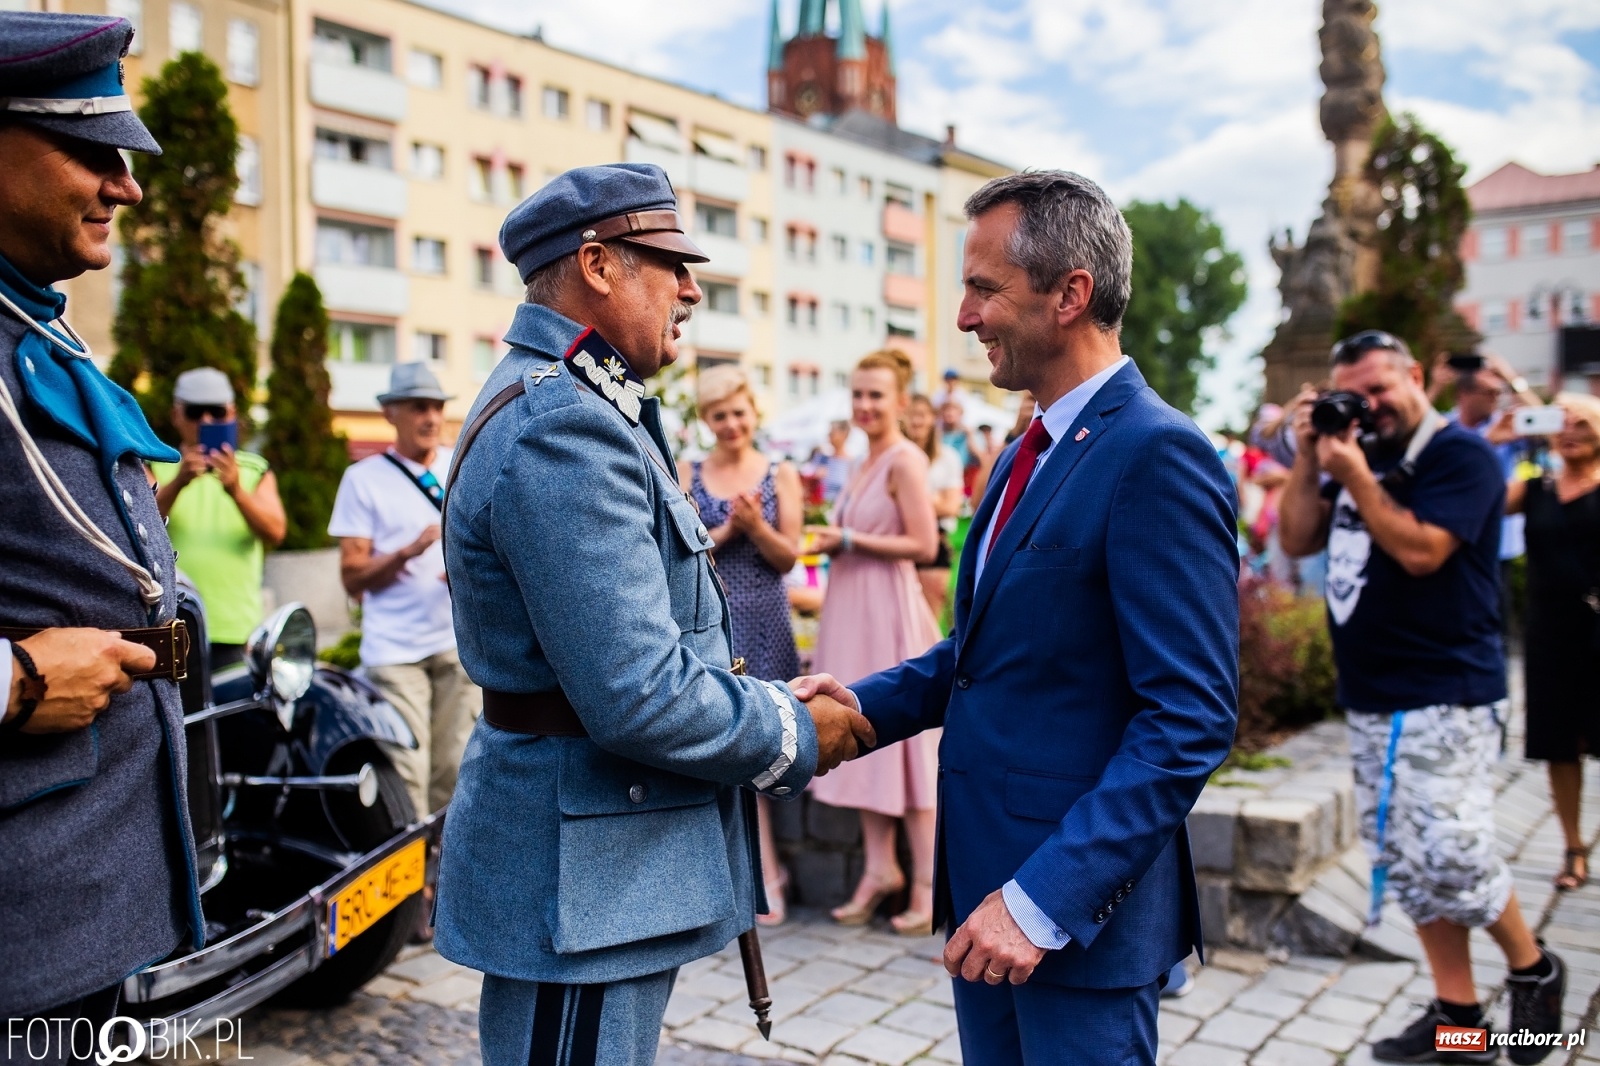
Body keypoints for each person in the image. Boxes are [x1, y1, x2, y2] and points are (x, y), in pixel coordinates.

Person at [431, 163, 873, 1066]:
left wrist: (771, 693)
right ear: (597, 264)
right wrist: (790, 728)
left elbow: (642, 634)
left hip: (599, 869)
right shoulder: (564, 421)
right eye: (670, 262)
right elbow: (638, 691)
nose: (693, 288)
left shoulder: (583, 403)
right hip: (582, 885)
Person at [793, 171, 1240, 1066]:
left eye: (984, 288)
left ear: (1071, 294)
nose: (963, 317)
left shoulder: (1159, 453)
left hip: (1064, 924)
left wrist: (1039, 902)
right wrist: (849, 716)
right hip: (985, 906)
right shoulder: (1021, 451)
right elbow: (980, 656)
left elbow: (1188, 720)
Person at [0, 12, 203, 1053]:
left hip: (83, 898)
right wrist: (15, 681)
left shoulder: (36, 327)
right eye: (92, 151)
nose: (126, 185)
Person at [1277, 330, 1565, 1063]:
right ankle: (1459, 1023)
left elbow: (1421, 548)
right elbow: (1300, 537)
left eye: (1379, 389)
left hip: (1448, 691)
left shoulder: (1457, 455)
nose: (1367, 406)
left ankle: (1535, 970)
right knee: (1409, 860)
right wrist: (1313, 455)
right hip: (1374, 694)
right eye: (1353, 394)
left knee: (1454, 852)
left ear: (1415, 376)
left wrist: (1356, 473)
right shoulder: (1352, 453)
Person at [807, 350, 943, 936]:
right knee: (856, 734)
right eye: (857, 394)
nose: (864, 405)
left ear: (900, 400)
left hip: (888, 609)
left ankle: (927, 887)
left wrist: (848, 537)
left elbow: (923, 541)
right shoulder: (862, 461)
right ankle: (879, 869)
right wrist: (836, 542)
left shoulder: (905, 459)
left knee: (910, 752)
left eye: (875, 396)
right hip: (851, 607)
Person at [678, 364, 803, 925]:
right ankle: (747, 873)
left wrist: (756, 529)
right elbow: (683, 551)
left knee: (767, 743)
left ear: (754, 411)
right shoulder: (689, 470)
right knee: (724, 748)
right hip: (712, 627)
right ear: (706, 420)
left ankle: (769, 876)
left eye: (738, 411)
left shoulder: (781, 472)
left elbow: (788, 558)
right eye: (719, 414)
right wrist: (732, 529)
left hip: (767, 622)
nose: (730, 423)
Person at [328, 362, 479, 822]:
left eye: (436, 407)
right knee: (407, 774)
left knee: (456, 768)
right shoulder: (363, 478)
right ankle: (412, 882)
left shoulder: (460, 463)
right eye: (418, 407)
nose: (431, 417)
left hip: (456, 642)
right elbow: (351, 578)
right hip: (395, 651)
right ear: (390, 414)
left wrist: (469, 571)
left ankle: (445, 874)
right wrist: (405, 553)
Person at [1502, 393, 1600, 892]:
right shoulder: (1534, 487)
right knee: (1562, 744)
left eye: (1582, 421)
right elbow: (1477, 507)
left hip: (1598, 627)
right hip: (1549, 632)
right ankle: (1573, 846)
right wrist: (1489, 442)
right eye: (1562, 422)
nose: (1571, 430)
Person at [152, 367, 286, 668]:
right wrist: (178, 482)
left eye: (216, 412)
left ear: (233, 413)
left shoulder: (254, 471)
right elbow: (136, 527)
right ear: (176, 415)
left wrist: (236, 490)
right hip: (170, 624)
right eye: (195, 413)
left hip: (237, 628)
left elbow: (276, 532)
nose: (206, 422)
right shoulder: (155, 466)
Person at [905, 392, 964, 619]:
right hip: (898, 542)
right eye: (911, 415)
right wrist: (933, 500)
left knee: (929, 618)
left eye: (921, 415)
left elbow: (951, 506)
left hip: (935, 542)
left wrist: (910, 500)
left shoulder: (947, 457)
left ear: (932, 418)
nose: (916, 421)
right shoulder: (896, 457)